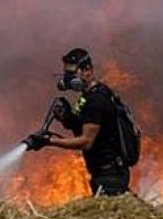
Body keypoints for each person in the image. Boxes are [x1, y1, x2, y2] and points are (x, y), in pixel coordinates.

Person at [27, 48, 131, 196]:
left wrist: (49, 141)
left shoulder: (96, 100)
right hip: (105, 173)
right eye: (67, 74)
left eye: (72, 74)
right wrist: (68, 119)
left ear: (87, 70)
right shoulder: (88, 97)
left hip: (110, 175)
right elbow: (88, 129)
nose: (69, 79)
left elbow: (86, 141)